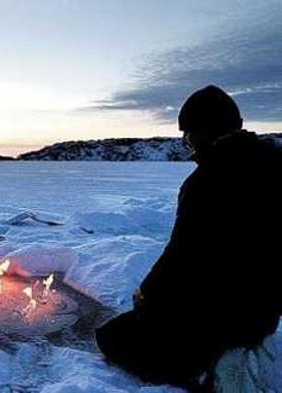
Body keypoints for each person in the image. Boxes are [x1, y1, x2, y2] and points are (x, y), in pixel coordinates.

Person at [96, 86, 282, 390]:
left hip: (219, 316)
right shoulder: (275, 163)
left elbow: (184, 254)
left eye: (189, 133)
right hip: (263, 315)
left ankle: (206, 369)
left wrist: (148, 292)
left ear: (204, 131)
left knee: (113, 337)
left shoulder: (207, 181)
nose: (186, 143)